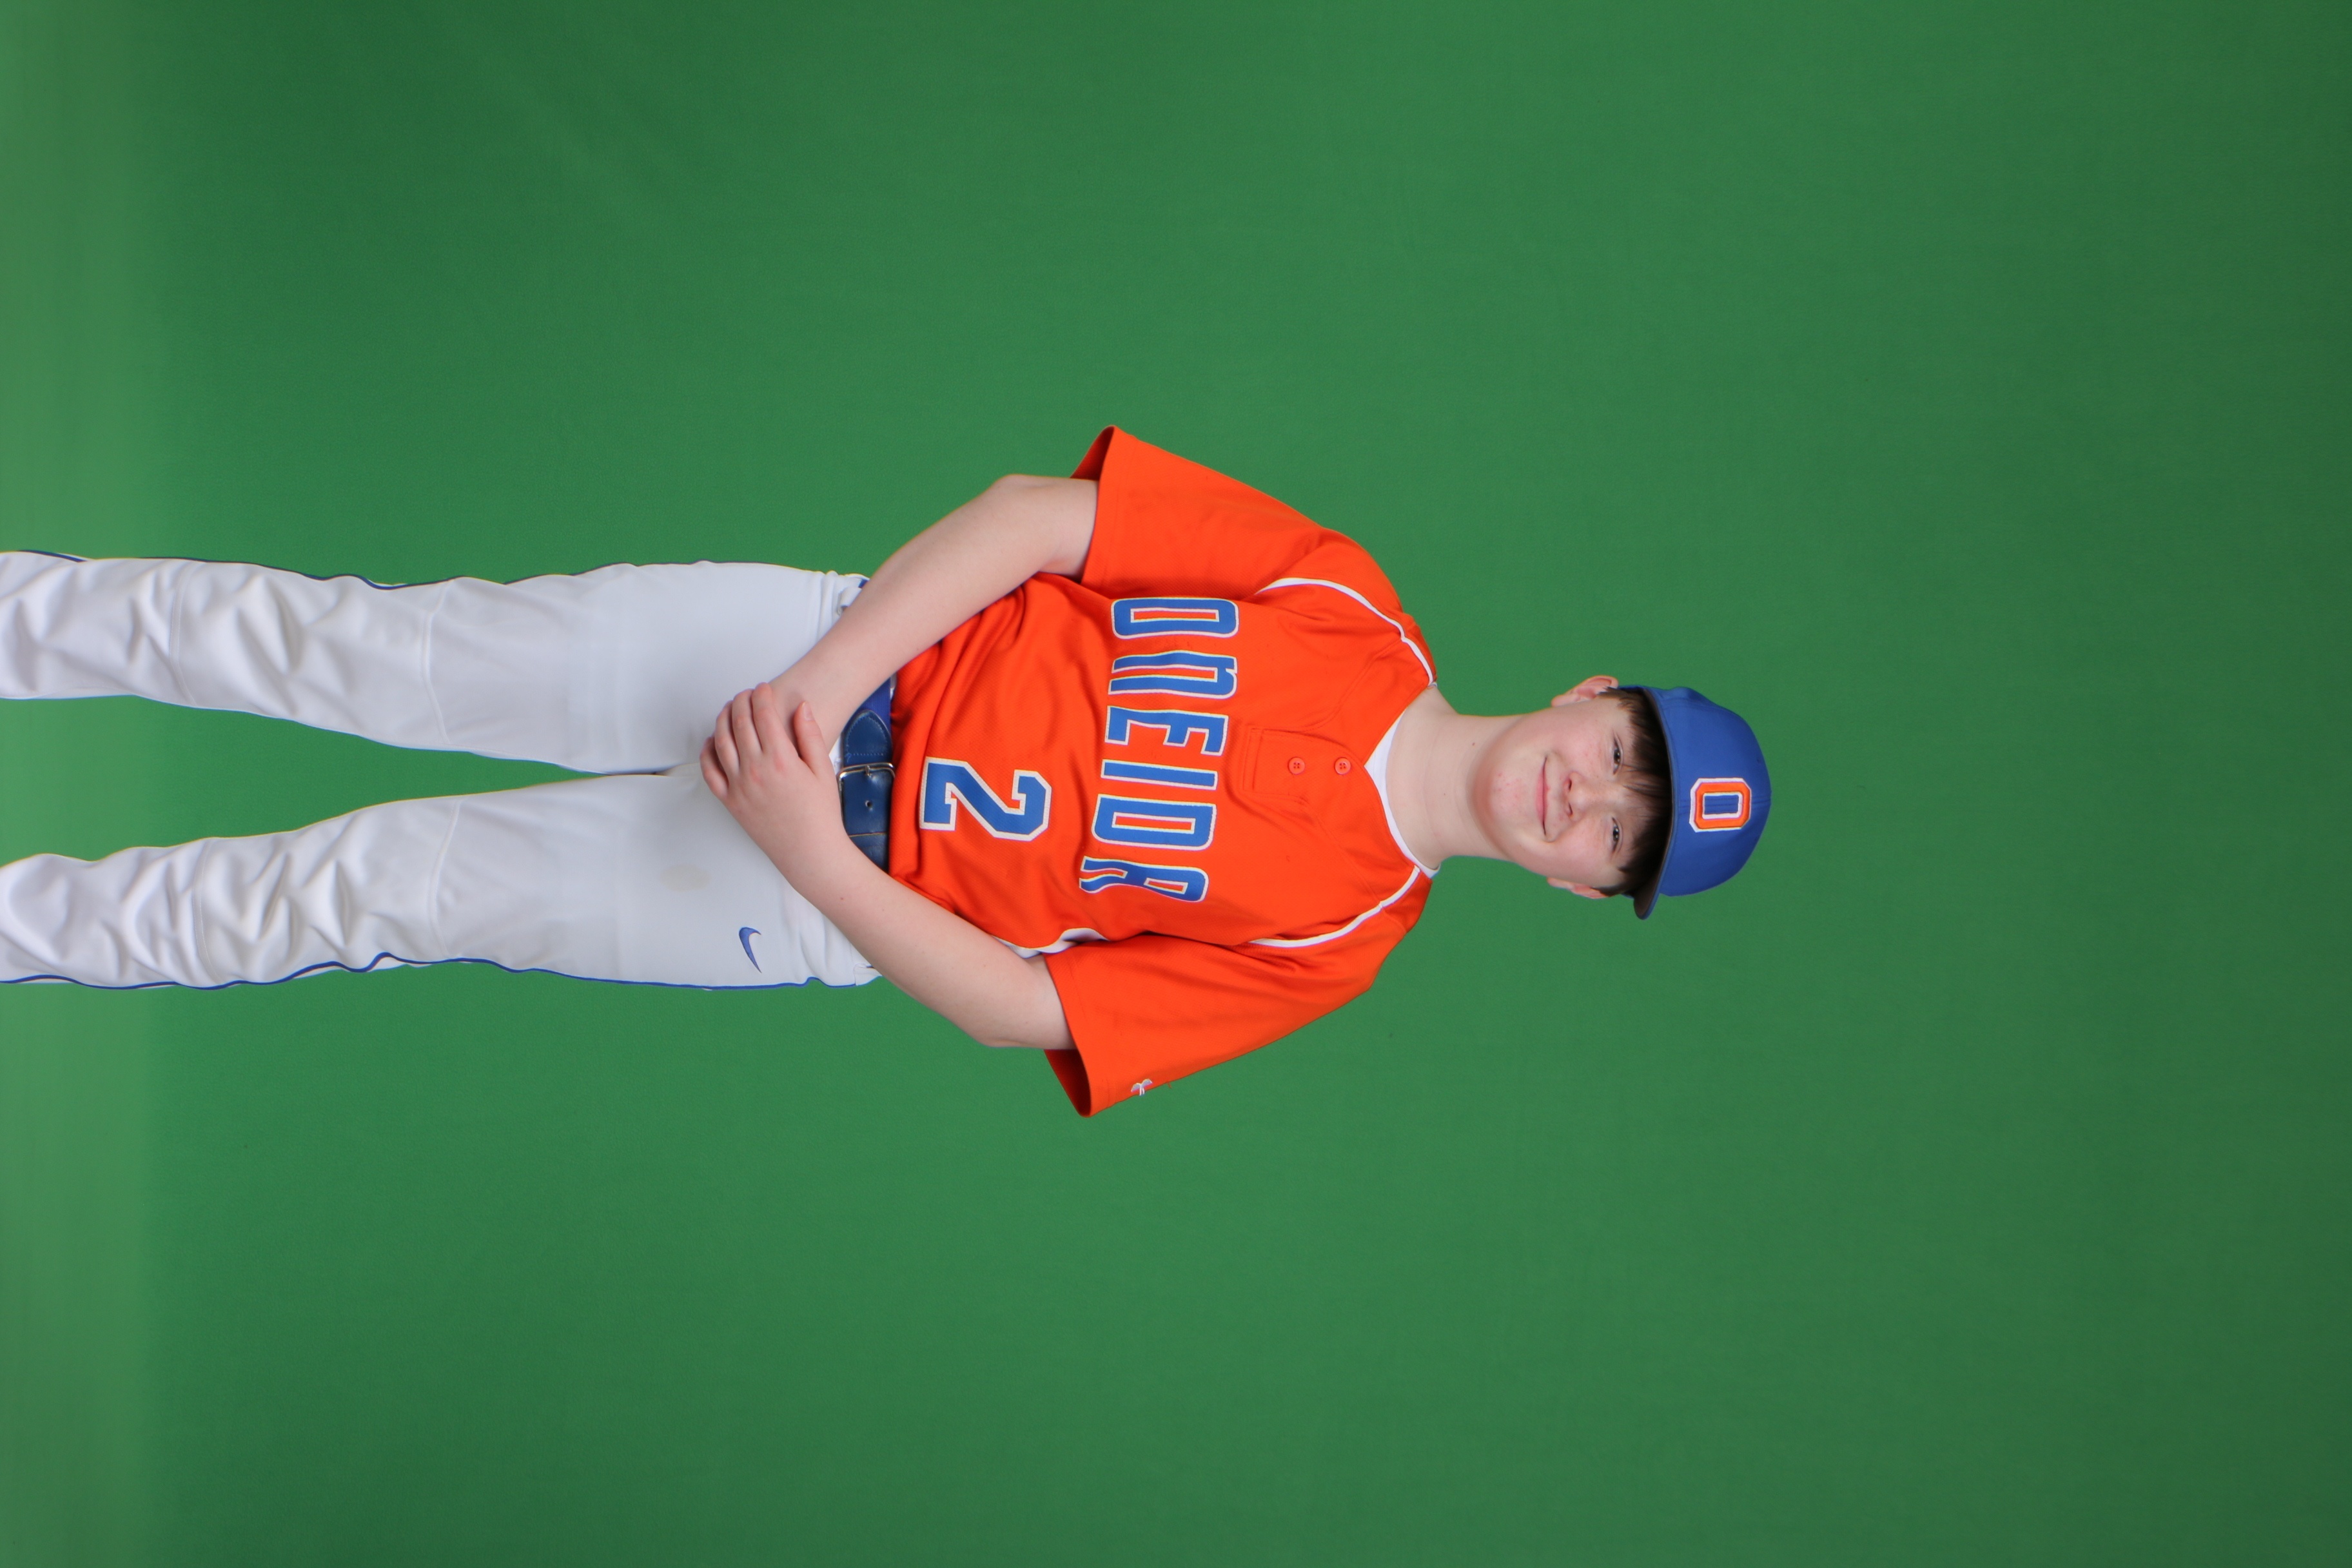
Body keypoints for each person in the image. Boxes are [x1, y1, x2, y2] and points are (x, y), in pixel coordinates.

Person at [0, 429, 1770, 1113]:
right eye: (1624, 755)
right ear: (1590, 693)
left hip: (799, 898)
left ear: (1578, 886)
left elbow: (1025, 1009)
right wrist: (821, 681)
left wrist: (808, 850)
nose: (1591, 798)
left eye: (1620, 839)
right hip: (810, 649)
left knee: (365, 891)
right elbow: (1038, 521)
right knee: (356, 653)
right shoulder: (1343, 599)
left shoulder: (1339, 941)